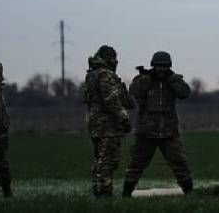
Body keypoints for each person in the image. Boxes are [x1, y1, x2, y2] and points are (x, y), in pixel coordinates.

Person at [122, 51, 193, 197]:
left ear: (169, 67)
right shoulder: (144, 79)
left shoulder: (173, 81)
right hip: (146, 132)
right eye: (159, 66)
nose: (161, 69)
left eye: (164, 66)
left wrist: (173, 79)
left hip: (169, 132)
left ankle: (190, 193)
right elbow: (134, 91)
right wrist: (146, 79)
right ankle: (126, 194)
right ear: (153, 66)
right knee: (136, 165)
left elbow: (185, 93)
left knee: (179, 164)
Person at [81, 45, 133, 197]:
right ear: (108, 59)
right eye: (114, 58)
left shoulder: (91, 75)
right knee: (108, 161)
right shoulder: (105, 74)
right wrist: (124, 119)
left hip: (95, 124)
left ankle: (98, 190)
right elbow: (111, 100)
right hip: (107, 125)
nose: (116, 62)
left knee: (100, 159)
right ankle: (104, 193)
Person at [0, 60, 11, 198]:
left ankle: (7, 190)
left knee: (1, 162)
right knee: (1, 163)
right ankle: (7, 191)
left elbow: (1, 110)